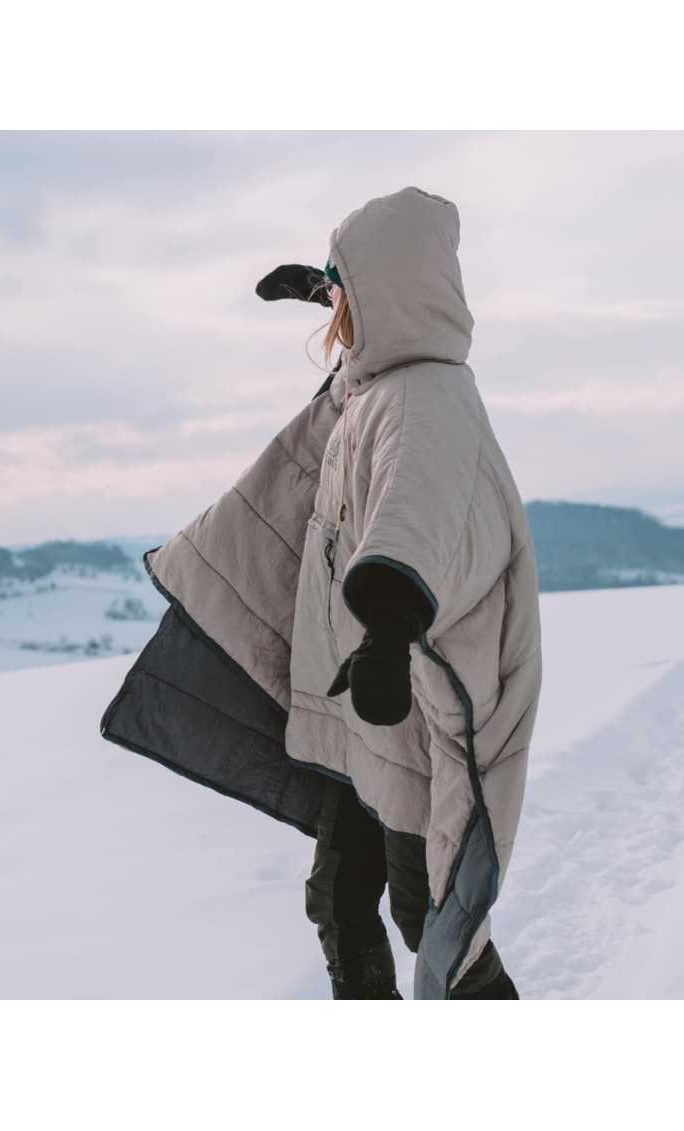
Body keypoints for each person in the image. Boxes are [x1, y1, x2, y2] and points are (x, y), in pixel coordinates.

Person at [102, 187, 542, 1000]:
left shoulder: (427, 402)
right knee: (338, 896)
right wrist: (327, 283)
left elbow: (416, 518)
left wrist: (385, 629)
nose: (334, 311)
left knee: (435, 922)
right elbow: (357, 387)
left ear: (381, 295)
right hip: (363, 718)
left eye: (345, 291)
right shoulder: (379, 385)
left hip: (402, 714)